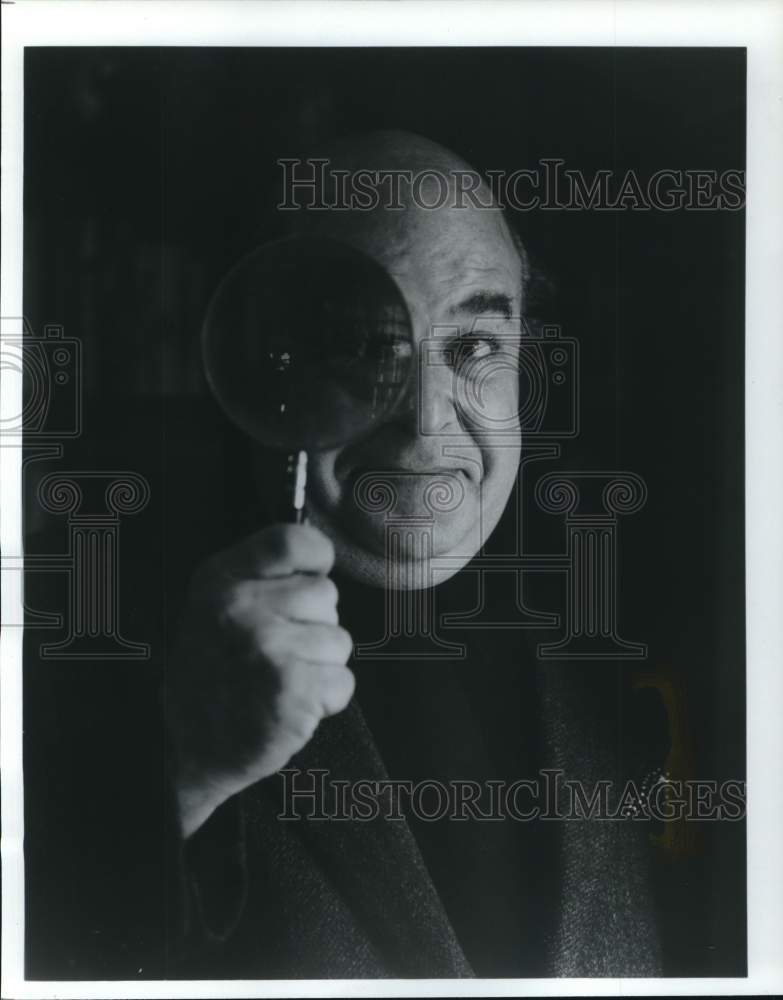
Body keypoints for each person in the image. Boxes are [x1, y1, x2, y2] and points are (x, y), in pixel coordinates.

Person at [162, 131, 665, 979]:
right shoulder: (114, 673)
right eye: (364, 349)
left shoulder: (614, 669)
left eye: (472, 348)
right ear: (263, 364)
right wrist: (178, 778)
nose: (428, 424)